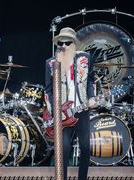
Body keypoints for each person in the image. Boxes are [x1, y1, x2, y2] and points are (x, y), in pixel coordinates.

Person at [44, 27, 97, 180]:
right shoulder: (50, 63)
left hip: (82, 110)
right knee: (64, 149)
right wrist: (55, 110)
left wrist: (92, 97)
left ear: (74, 43)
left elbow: (90, 81)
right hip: (62, 114)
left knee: (86, 147)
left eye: (68, 42)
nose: (64, 46)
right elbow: (48, 91)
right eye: (61, 42)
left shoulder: (85, 59)